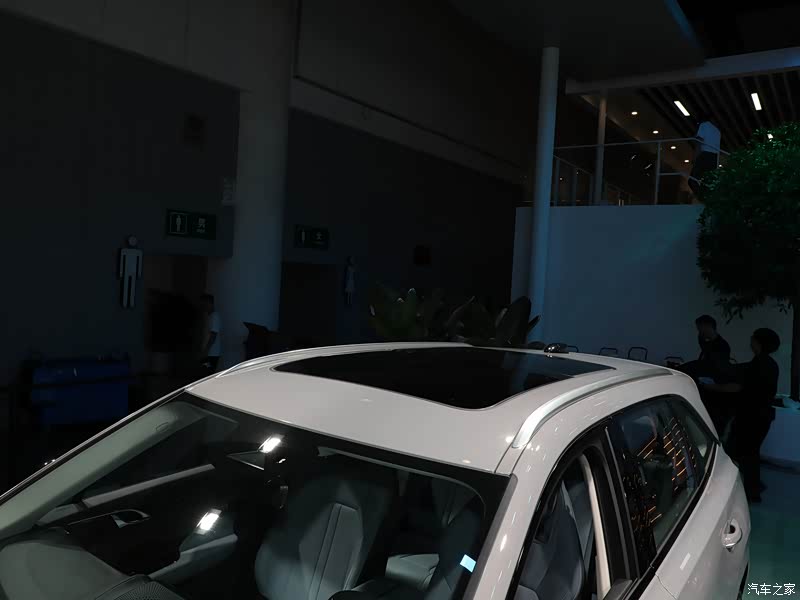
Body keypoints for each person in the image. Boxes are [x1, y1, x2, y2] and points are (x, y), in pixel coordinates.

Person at [701, 328, 779, 503]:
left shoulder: (757, 365)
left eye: (753, 338)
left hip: (750, 417)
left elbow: (738, 387)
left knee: (739, 452)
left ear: (758, 342)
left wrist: (711, 387)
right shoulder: (771, 364)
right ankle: (754, 487)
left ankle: (750, 492)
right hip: (762, 416)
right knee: (749, 453)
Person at [688, 114, 722, 195]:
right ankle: (706, 197)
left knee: (692, 180)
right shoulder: (718, 131)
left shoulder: (704, 125)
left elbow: (699, 142)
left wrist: (695, 157)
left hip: (705, 155)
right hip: (715, 158)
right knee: (707, 182)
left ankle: (701, 196)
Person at [200, 293, 222, 373]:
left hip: (212, 354)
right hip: (209, 353)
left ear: (210, 303)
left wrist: (206, 351)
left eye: (204, 303)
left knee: (208, 372)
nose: (203, 306)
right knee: (206, 371)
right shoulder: (210, 316)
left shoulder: (215, 317)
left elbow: (213, 335)